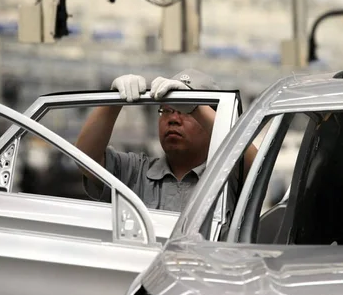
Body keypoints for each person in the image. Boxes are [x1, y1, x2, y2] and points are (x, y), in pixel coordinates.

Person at [75, 69, 257, 213]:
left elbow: (254, 161)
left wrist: (196, 107)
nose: (173, 119)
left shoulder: (227, 175)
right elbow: (85, 159)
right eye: (166, 110)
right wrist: (112, 102)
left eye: (185, 111)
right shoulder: (135, 173)